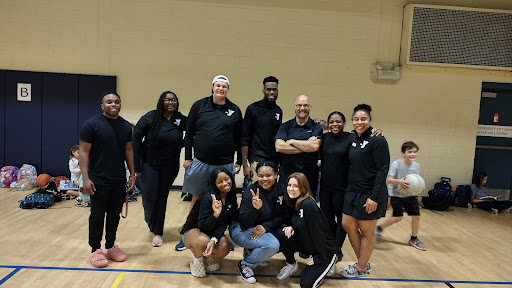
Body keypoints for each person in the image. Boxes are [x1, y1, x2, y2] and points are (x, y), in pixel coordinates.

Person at [177, 75, 242, 251]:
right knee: (197, 198)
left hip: (225, 163)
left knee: (226, 199)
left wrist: (239, 161)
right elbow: (189, 133)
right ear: (212, 87)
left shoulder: (235, 110)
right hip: (200, 161)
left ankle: (220, 236)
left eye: (224, 86)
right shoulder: (199, 106)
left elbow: (239, 138)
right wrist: (188, 158)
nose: (221, 89)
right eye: (218, 86)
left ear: (228, 89)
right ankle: (188, 235)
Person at [79, 91, 136, 268]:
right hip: (97, 179)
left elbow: (128, 151)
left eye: (117, 102)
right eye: (109, 102)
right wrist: (86, 178)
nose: (113, 104)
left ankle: (110, 246)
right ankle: (95, 249)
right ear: (102, 106)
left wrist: (132, 174)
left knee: (114, 215)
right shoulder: (92, 125)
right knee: (97, 215)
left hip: (118, 179)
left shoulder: (126, 126)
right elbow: (83, 152)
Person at [341, 104, 389, 278]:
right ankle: (363, 262)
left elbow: (383, 169)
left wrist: (374, 197)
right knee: (347, 224)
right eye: (356, 119)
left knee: (367, 231)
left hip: (370, 193)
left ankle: (361, 268)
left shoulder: (378, 140)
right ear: (352, 121)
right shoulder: (352, 138)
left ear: (370, 120)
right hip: (352, 191)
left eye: (363, 119)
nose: (359, 122)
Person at [133, 91, 187, 247]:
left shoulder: (180, 119)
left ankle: (158, 232)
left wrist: (181, 145)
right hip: (149, 163)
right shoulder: (150, 117)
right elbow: (136, 137)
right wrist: (137, 165)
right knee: (149, 197)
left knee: (162, 198)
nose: (170, 102)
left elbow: (192, 132)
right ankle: (150, 221)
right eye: (167, 99)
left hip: (169, 166)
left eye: (173, 100)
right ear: (161, 101)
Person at [275, 172, 338, 288]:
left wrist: (318, 257)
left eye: (295, 186)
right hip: (310, 245)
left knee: (306, 285)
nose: (291, 189)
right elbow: (301, 222)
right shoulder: (293, 201)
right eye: (289, 185)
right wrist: (292, 227)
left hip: (325, 250)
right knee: (281, 233)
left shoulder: (308, 204)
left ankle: (330, 261)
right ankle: (292, 265)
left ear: (303, 188)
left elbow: (318, 233)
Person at [230, 161, 284, 284]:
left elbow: (284, 216)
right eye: (261, 176)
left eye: (268, 175)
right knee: (272, 245)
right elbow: (244, 221)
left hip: (261, 227)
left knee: (284, 235)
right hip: (241, 229)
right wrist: (255, 209)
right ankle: (245, 264)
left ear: (276, 175)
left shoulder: (281, 190)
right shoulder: (251, 192)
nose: (264, 179)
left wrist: (265, 227)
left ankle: (251, 251)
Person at [180, 168, 238, 277]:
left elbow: (223, 224)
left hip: (212, 232)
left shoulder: (231, 198)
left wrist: (214, 239)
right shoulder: (208, 198)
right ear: (214, 184)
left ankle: (210, 256)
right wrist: (215, 215)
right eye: (219, 182)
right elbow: (203, 226)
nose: (225, 183)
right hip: (196, 233)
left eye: (226, 179)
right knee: (203, 241)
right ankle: (197, 259)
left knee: (225, 246)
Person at [375, 141, 426, 251]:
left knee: (416, 216)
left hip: (410, 195)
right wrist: (399, 182)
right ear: (403, 153)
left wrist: (420, 186)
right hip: (396, 195)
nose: (412, 154)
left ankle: (414, 238)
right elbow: (388, 179)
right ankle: (378, 228)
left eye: (414, 152)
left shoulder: (416, 166)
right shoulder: (396, 164)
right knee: (398, 217)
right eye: (409, 152)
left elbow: (415, 181)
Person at [275, 95, 323, 199]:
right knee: (285, 209)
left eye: (305, 105)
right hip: (287, 174)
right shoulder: (285, 126)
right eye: (299, 105)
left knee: (306, 208)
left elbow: (314, 146)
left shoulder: (316, 126)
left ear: (310, 107)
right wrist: (306, 145)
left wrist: (291, 141)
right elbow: (279, 147)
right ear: (294, 107)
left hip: (309, 175)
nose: (302, 108)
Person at [241, 76, 283, 186]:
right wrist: (245, 165)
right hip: (256, 159)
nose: (272, 92)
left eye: (274, 89)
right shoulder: (252, 109)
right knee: (256, 194)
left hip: (273, 161)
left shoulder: (278, 111)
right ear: (263, 90)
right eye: (269, 89)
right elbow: (245, 137)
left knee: (270, 196)